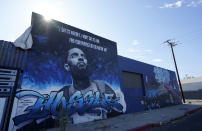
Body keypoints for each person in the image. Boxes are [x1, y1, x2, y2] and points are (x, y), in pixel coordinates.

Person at [60, 47, 122, 124]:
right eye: (74, 56)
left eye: (83, 56)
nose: (81, 58)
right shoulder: (63, 93)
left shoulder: (102, 87)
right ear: (67, 67)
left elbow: (117, 112)